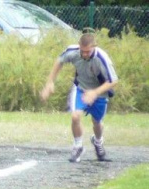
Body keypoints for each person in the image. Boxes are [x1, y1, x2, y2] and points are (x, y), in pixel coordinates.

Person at [40, 31, 118, 163]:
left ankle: (98, 142)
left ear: (94, 47)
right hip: (80, 88)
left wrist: (95, 92)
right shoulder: (73, 52)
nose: (85, 54)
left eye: (88, 51)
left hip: (100, 91)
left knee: (97, 123)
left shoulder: (102, 58)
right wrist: (50, 82)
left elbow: (113, 81)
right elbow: (59, 61)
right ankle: (78, 146)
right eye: (83, 51)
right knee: (75, 116)